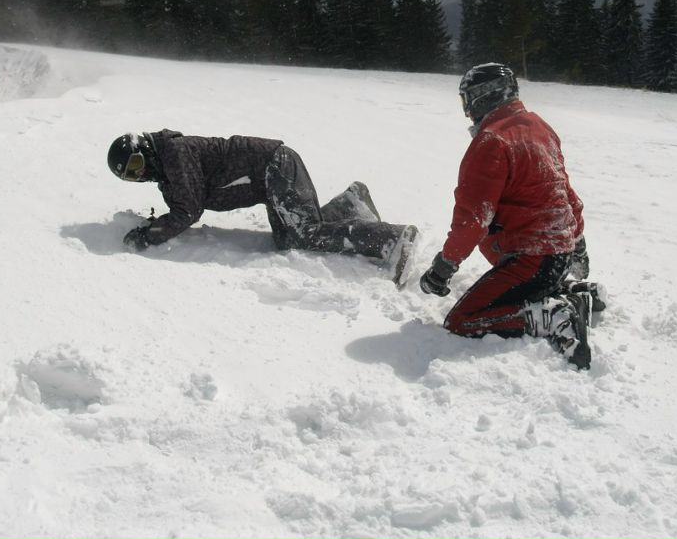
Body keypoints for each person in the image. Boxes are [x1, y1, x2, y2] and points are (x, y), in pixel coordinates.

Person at [416, 63, 604, 369]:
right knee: (521, 289)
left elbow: (474, 218)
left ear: (483, 97)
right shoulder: (539, 127)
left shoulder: (492, 141)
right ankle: (576, 295)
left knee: (463, 320)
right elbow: (565, 192)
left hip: (531, 258)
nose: (466, 113)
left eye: (467, 102)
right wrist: (578, 242)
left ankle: (553, 317)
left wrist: (443, 267)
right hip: (557, 253)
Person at [107, 130, 418, 280]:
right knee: (287, 239)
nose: (141, 174)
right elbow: (184, 204)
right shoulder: (165, 171)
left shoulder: (173, 152)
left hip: (274, 167)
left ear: (144, 149)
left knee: (303, 234)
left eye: (137, 164)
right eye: (132, 176)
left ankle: (391, 240)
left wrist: (149, 236)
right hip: (269, 182)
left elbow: (188, 209)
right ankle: (353, 203)